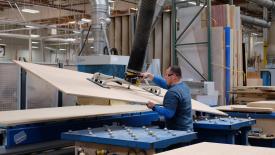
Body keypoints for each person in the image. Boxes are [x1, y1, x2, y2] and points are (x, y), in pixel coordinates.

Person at [141, 66, 193, 131]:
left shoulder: (172, 92)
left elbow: (169, 113)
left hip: (178, 132)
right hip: (188, 129)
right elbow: (164, 83)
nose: (165, 77)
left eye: (167, 75)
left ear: (174, 76)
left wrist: (154, 107)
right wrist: (149, 75)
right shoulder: (184, 86)